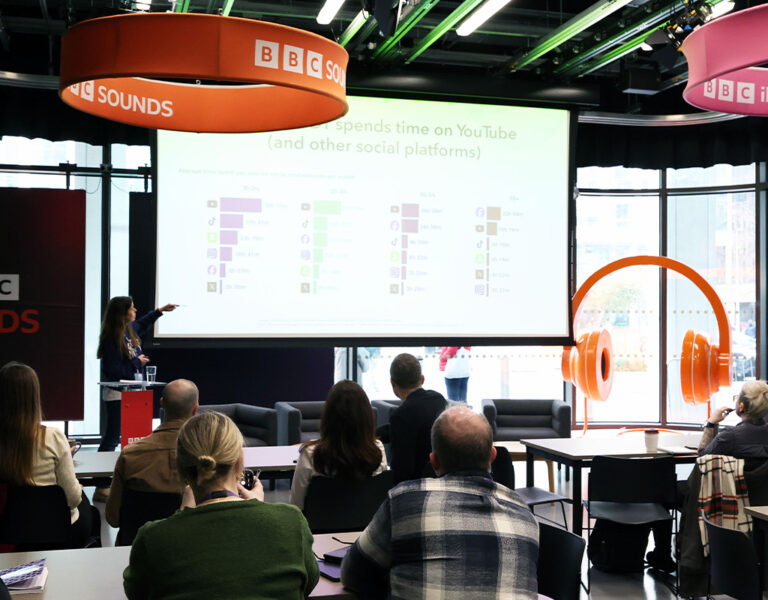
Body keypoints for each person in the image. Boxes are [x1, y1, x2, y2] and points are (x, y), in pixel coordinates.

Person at [341, 406, 539, 599]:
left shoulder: (405, 502)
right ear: (492, 455)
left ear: (434, 461)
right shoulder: (526, 517)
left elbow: (352, 574)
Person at [123, 411, 318, 600]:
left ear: (180, 468)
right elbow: (309, 582)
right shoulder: (291, 522)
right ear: (240, 462)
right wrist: (261, 511)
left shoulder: (153, 539)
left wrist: (182, 514)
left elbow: (136, 593)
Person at [0, 362, 94, 547]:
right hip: (57, 532)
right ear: (34, 397)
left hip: (8, 533)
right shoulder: (53, 438)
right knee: (85, 503)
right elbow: (72, 499)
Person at [95, 297, 177, 501]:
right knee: (112, 438)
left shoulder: (129, 330)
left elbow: (143, 322)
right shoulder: (112, 338)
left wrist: (160, 311)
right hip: (118, 395)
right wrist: (136, 362)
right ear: (123, 313)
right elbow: (113, 371)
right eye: (132, 308)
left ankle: (132, 482)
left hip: (135, 394)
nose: (136, 310)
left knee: (135, 439)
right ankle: (101, 485)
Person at [106, 378, 199, 529]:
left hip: (136, 542)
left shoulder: (129, 455)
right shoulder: (207, 457)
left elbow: (113, 518)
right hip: (189, 542)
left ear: (161, 403)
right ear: (195, 409)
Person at [290, 380, 387, 510]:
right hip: (368, 522)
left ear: (327, 417)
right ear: (367, 416)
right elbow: (380, 499)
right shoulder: (377, 449)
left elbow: (296, 506)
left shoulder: (310, 453)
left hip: (320, 523)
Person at [387, 353, 447, 484]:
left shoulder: (400, 416)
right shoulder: (438, 399)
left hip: (416, 488)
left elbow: (401, 471)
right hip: (443, 479)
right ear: (422, 379)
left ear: (392, 383)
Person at [698, 380, 768, 457]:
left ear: (741, 407)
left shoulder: (729, 436)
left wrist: (711, 423)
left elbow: (703, 459)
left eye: (737, 398)